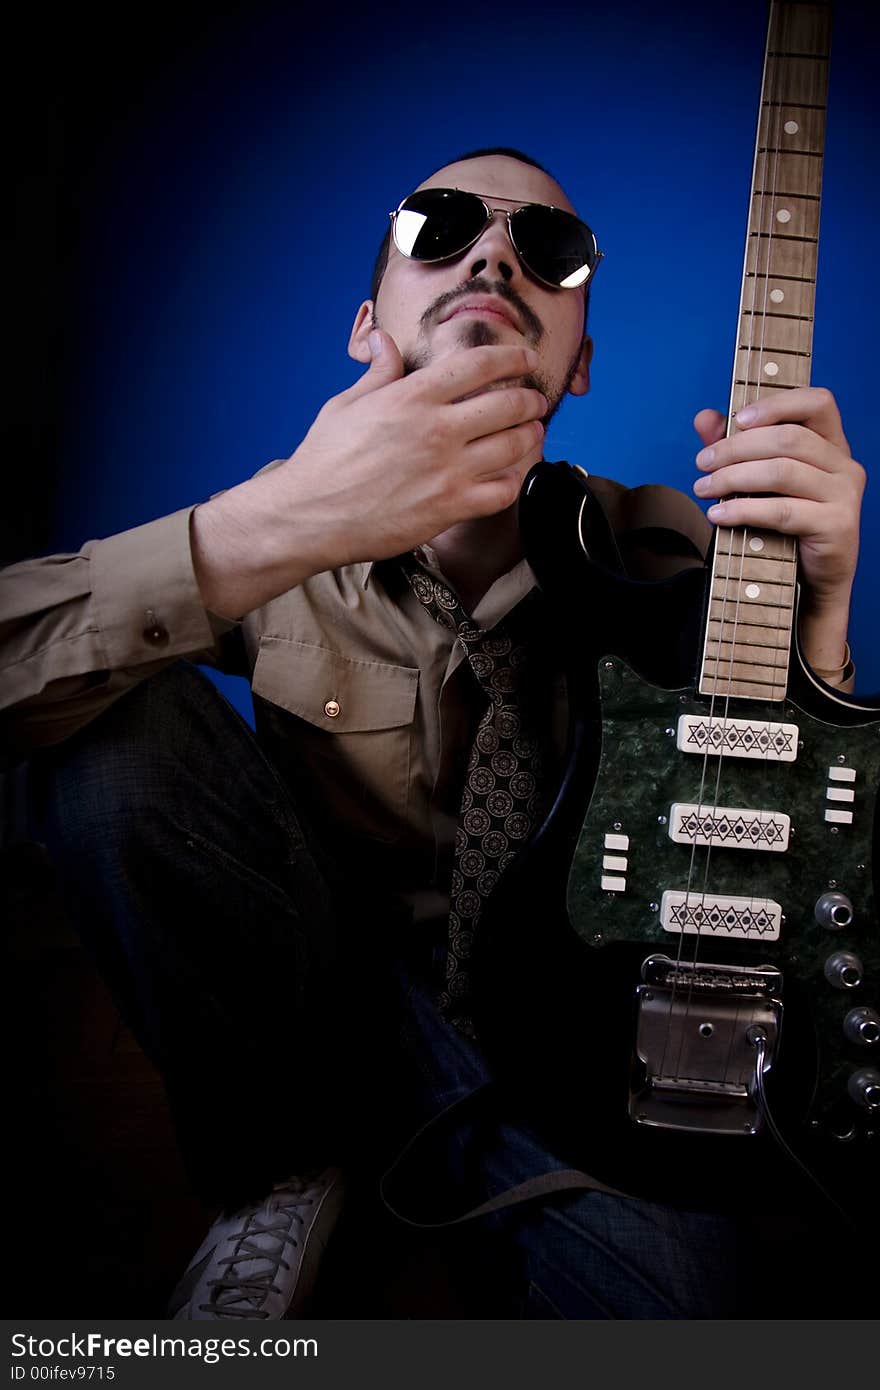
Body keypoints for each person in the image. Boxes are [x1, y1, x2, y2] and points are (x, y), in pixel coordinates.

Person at [0, 147, 867, 1320]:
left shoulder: (665, 552)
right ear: (368, 325)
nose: (495, 254)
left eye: (546, 251)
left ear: (581, 363)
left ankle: (424, 1151)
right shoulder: (272, 515)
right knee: (107, 737)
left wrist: (815, 621)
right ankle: (282, 1166)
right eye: (441, 227)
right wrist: (276, 525)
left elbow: (773, 864)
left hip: (570, 1041)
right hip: (311, 1001)